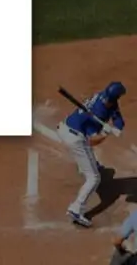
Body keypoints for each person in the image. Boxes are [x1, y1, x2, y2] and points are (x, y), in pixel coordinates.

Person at [57, 81, 127, 227]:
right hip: (75, 137)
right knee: (94, 178)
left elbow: (116, 114)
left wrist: (118, 127)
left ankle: (86, 165)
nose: (107, 101)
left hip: (66, 127)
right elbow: (92, 141)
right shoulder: (98, 112)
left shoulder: (104, 96)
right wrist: (105, 133)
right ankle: (76, 209)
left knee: (91, 163)